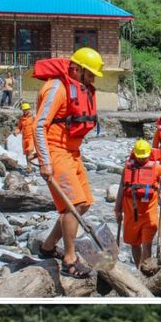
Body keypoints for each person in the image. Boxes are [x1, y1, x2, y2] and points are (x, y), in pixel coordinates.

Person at [31, 47, 102, 278]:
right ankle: (70, 259)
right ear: (77, 69)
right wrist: (45, 162)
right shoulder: (57, 88)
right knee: (73, 204)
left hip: (73, 152)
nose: (92, 79)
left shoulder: (80, 88)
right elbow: (39, 125)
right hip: (56, 151)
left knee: (84, 204)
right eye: (90, 73)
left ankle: (49, 245)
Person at [115, 139, 161, 266]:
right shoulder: (128, 167)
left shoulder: (157, 168)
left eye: (144, 157)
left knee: (147, 244)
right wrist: (117, 209)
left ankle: (146, 270)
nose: (142, 160)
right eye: (139, 157)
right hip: (131, 211)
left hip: (149, 211)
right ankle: (138, 269)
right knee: (134, 243)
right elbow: (121, 187)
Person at [14, 102, 38, 171]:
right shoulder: (21, 118)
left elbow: (37, 126)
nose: (25, 111)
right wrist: (16, 132)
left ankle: (30, 166)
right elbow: (19, 127)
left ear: (29, 109)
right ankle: (28, 166)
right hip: (24, 138)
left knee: (30, 151)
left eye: (26, 109)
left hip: (31, 137)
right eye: (24, 110)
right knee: (26, 153)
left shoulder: (33, 117)